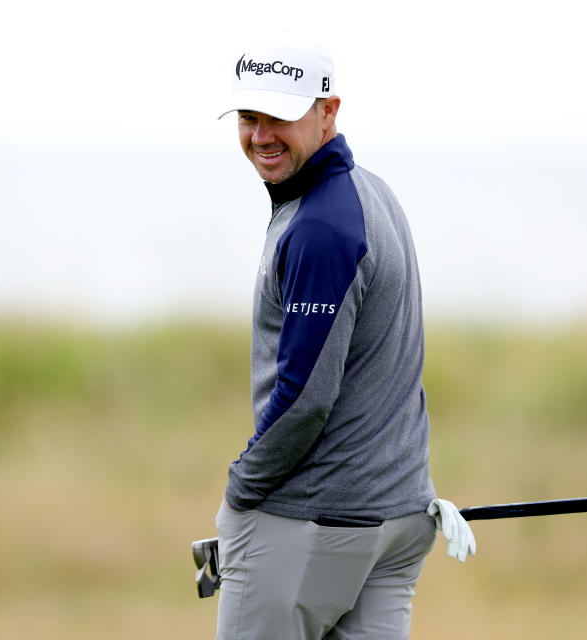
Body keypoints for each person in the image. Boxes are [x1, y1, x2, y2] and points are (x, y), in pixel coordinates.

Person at [214, 35, 476, 640]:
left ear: (328, 111)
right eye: (249, 118)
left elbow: (305, 398)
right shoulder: (371, 193)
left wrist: (241, 492)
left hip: (315, 524)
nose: (261, 136)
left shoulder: (320, 229)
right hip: (398, 519)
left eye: (280, 116)